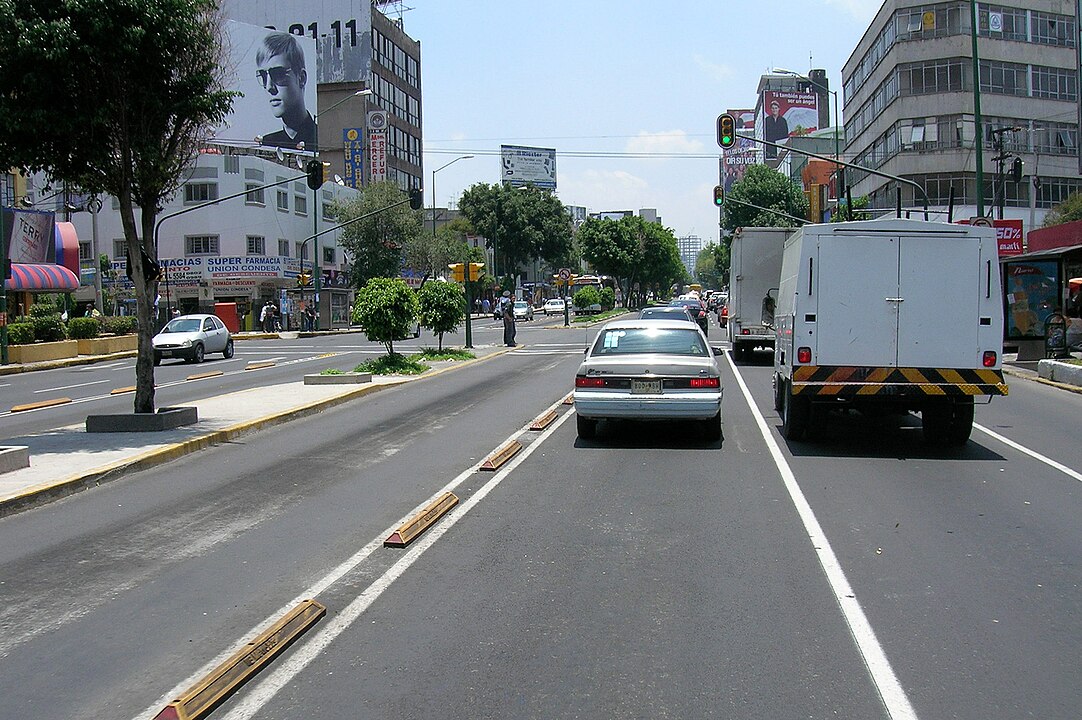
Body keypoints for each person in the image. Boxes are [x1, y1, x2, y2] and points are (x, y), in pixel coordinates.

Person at [256, 32, 315, 150]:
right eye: (263, 76)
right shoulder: (268, 143)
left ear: (301, 78)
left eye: (278, 74)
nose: (269, 87)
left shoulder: (318, 139)